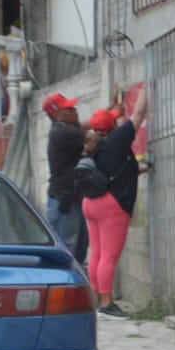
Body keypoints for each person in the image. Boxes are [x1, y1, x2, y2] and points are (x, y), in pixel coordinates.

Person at [81, 86, 149, 318]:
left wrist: (138, 170)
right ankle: (107, 302)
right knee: (109, 256)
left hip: (91, 203)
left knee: (97, 253)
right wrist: (146, 87)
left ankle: (96, 298)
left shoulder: (92, 144)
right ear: (111, 125)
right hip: (111, 206)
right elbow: (138, 115)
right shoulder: (117, 140)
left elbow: (115, 171)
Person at [41, 92, 87, 263]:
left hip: (70, 199)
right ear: (57, 114)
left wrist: (110, 112)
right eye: (69, 108)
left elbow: (87, 125)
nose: (75, 110)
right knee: (65, 251)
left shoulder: (66, 130)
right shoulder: (62, 132)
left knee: (78, 248)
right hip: (64, 202)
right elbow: (92, 135)